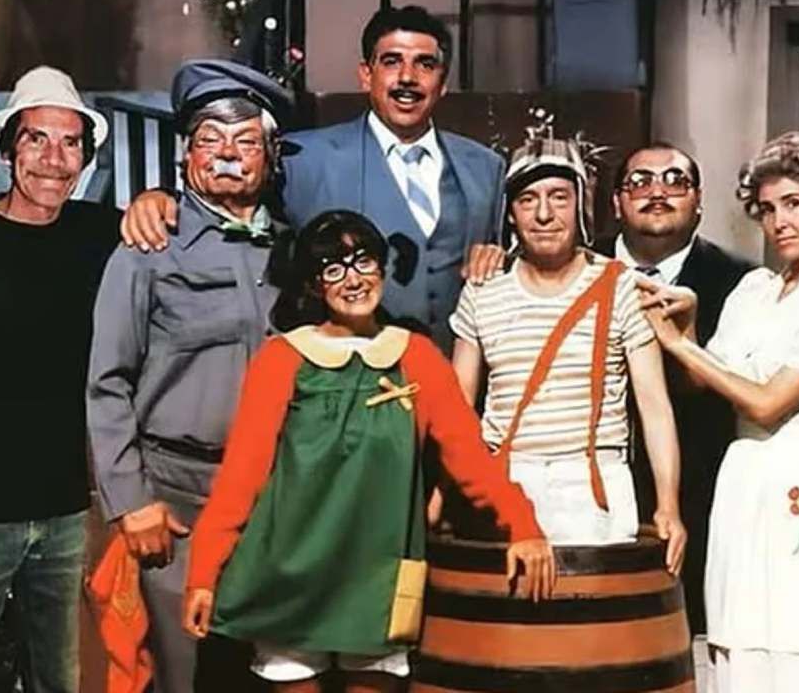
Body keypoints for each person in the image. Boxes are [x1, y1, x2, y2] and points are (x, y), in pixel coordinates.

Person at [183, 210, 554, 693]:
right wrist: (203, 573)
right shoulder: (282, 360)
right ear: (314, 285)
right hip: (291, 571)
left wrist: (522, 525)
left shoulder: (417, 356)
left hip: (377, 576)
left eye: (363, 261)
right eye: (333, 268)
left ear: (382, 266)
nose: (353, 279)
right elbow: (240, 477)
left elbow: (470, 459)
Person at [118, 6, 505, 353]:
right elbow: (231, 195)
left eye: (425, 64)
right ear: (365, 75)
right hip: (342, 385)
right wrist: (163, 196)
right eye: (391, 62)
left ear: (443, 82)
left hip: (456, 385)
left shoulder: (484, 168)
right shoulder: (303, 158)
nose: (407, 77)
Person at [640, 132, 799, 692]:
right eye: (767, 209)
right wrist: (689, 325)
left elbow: (767, 403)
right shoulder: (753, 290)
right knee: (737, 637)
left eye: (793, 203)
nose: (779, 222)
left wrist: (679, 346)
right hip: (742, 473)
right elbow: (703, 382)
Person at [87, 59, 292, 693]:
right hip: (177, 503)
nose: (227, 154)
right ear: (186, 155)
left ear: (271, 156)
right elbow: (107, 382)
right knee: (186, 676)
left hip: (274, 501)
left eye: (245, 140)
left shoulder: (294, 250)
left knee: (276, 673)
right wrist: (130, 502)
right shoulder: (148, 248)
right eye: (210, 139)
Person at [0, 66, 115, 693]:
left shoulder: (101, 234)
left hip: (64, 511)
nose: (53, 158)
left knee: (60, 677)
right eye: (37, 138)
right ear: (8, 149)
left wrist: (158, 201)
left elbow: (169, 227)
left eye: (70, 143)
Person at [448, 133, 687, 571]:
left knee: (592, 613)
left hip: (594, 488)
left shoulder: (620, 285)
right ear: (510, 213)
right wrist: (443, 496)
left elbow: (654, 406)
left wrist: (668, 504)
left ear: (580, 205)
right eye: (527, 200)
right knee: (505, 614)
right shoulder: (482, 291)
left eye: (559, 197)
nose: (544, 214)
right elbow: (457, 409)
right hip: (506, 484)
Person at [595, 142, 754, 638]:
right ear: (616, 202)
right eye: (640, 181)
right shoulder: (578, 266)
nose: (657, 192)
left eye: (675, 181)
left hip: (698, 496)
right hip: (586, 493)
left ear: (699, 201)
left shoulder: (744, 282)